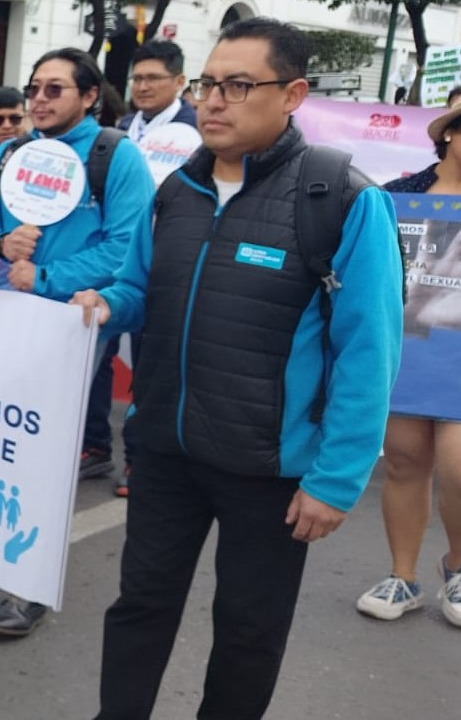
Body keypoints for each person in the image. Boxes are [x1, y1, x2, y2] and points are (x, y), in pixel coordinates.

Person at [70, 18, 404, 718]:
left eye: (238, 85)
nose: (212, 101)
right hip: (164, 449)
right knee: (140, 606)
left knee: (249, 632)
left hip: (270, 471)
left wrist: (336, 481)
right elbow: (139, 288)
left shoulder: (340, 200)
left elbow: (369, 352)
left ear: (293, 95)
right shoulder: (176, 194)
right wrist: (103, 302)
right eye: (207, 84)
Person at [0, 48, 155, 637]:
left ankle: (30, 584)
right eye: (35, 88)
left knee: (42, 449)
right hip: (4, 318)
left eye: (55, 89)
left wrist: (43, 277)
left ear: (90, 97)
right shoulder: (10, 154)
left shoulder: (115, 158)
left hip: (73, 324)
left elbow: (125, 250)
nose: (39, 99)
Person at [355, 98, 461, 627]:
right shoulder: (397, 198)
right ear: (449, 136)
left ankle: (458, 568)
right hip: (408, 353)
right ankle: (403, 575)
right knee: (402, 459)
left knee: (458, 464)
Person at [87, 39, 197, 497]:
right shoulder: (121, 131)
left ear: (179, 82)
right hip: (114, 256)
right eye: (137, 78)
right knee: (97, 354)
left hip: (166, 258)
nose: (143, 86)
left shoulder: (198, 131)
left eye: (154, 78)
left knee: (151, 363)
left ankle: (139, 459)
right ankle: (94, 447)